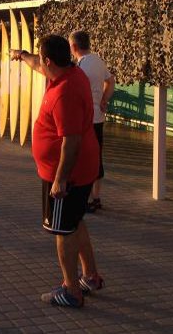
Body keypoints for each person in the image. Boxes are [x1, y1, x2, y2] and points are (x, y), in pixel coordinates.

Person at [10, 35, 102, 308]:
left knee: (62, 230)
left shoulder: (65, 92)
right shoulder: (70, 73)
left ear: (51, 60)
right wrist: (22, 54)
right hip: (82, 169)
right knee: (75, 222)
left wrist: (60, 180)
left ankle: (71, 290)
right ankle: (91, 277)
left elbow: (70, 141)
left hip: (68, 175)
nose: (39, 63)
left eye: (41, 58)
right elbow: (38, 64)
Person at [68, 31, 115, 213]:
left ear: (74, 47)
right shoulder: (98, 61)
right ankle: (96, 197)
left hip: (85, 119)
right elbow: (110, 81)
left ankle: (85, 198)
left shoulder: (79, 67)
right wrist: (104, 99)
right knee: (97, 157)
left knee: (83, 158)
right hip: (98, 118)